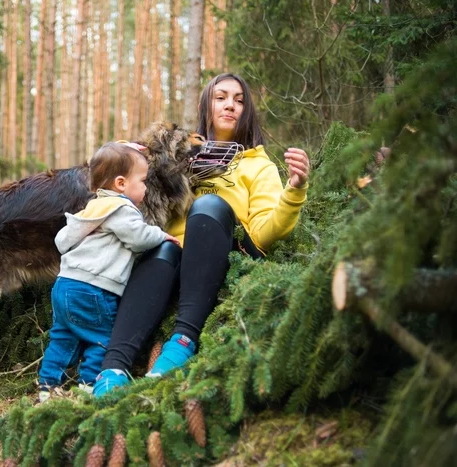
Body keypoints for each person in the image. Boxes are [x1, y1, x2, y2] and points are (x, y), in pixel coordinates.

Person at [93, 73, 310, 396]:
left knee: (209, 205)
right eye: (221, 97)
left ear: (247, 111)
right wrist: (138, 161)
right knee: (162, 246)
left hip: (225, 251)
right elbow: (139, 202)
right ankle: (113, 368)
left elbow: (267, 232)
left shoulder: (258, 165)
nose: (230, 105)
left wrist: (295, 189)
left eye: (239, 100)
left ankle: (182, 342)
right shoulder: (180, 158)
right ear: (205, 105)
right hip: (173, 260)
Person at [38, 142, 181, 402]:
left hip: (64, 285)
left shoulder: (92, 209)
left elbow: (61, 241)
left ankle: (47, 386)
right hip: (94, 289)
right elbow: (137, 238)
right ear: (121, 184)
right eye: (143, 181)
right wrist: (162, 235)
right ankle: (89, 385)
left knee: (62, 336)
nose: (146, 188)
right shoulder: (121, 208)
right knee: (102, 338)